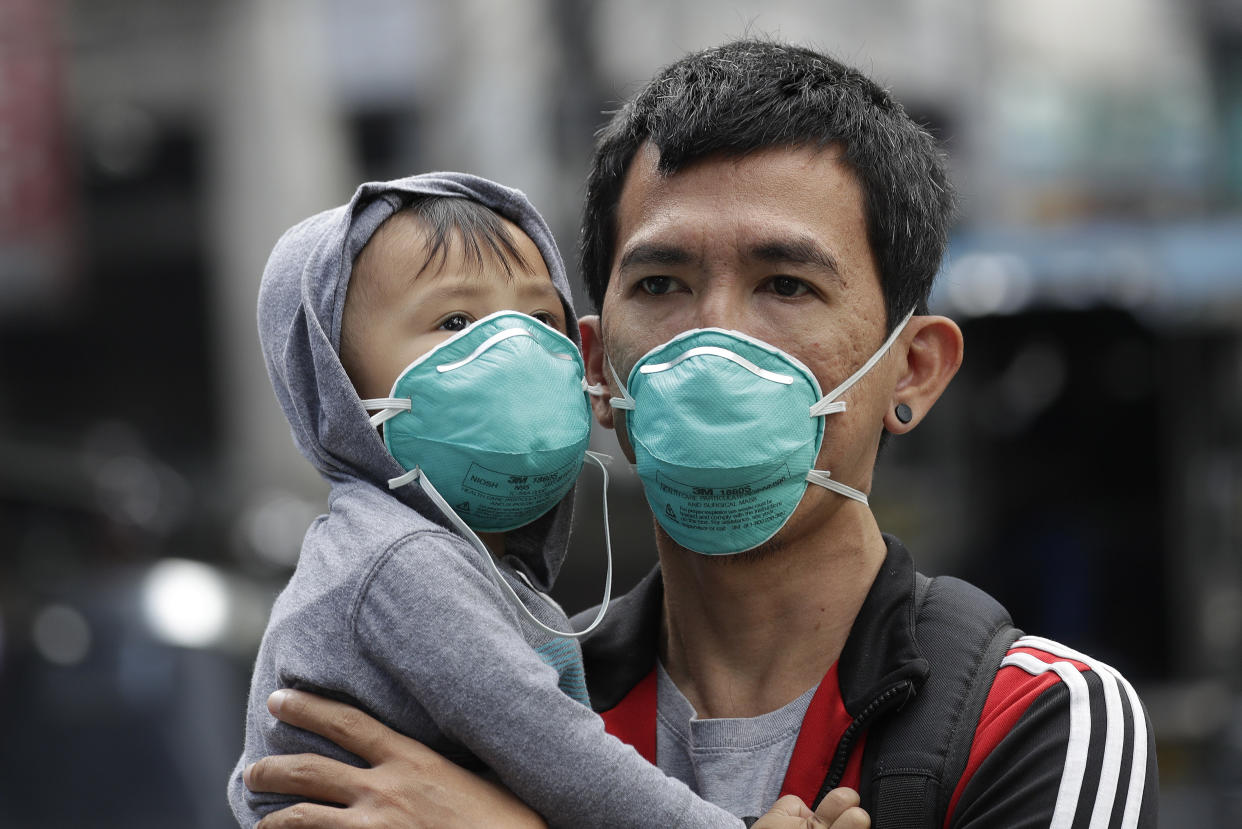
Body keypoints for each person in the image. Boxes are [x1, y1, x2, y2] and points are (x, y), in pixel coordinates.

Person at [243, 40, 1159, 828]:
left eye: (786, 285)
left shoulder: (1034, 717)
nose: (711, 337)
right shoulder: (503, 701)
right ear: (594, 368)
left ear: (912, 368)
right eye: (661, 285)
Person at [228, 170, 867, 829]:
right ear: (334, 382)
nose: (517, 350)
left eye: (538, 318)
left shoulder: (458, 565)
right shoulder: (399, 561)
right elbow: (556, 751)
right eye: (455, 320)